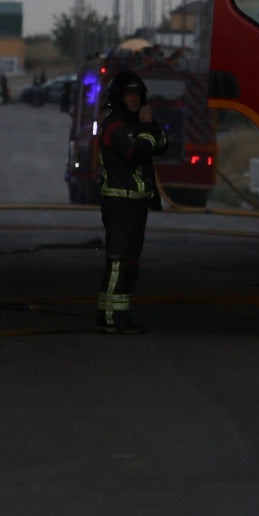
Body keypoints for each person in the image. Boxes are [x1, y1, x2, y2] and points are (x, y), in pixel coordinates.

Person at [95, 69, 168, 334]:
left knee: (130, 263)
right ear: (119, 97)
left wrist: (150, 128)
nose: (134, 99)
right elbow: (135, 152)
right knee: (118, 261)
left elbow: (162, 144)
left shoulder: (134, 123)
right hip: (120, 204)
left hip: (137, 204)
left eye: (138, 94)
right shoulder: (115, 125)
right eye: (129, 94)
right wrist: (147, 130)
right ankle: (110, 318)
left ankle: (119, 314)